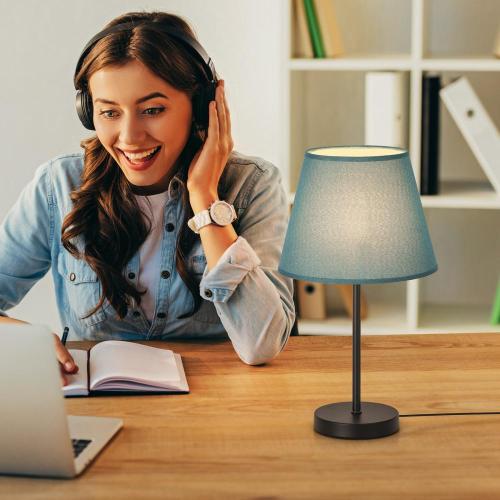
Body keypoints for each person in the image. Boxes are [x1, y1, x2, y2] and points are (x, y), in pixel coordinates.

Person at [0, 11, 295, 382]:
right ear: (89, 112)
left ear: (203, 106)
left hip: (220, 410)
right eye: (109, 112)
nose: (129, 137)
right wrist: (24, 340)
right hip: (99, 409)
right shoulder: (57, 185)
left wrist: (205, 199)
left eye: (152, 110)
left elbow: (261, 345)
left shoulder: (253, 186)